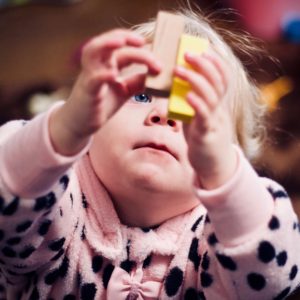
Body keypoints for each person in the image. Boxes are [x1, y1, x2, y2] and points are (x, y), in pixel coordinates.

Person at [0, 7, 299, 300]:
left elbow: (274, 280)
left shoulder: (219, 239)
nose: (163, 115)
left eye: (192, 112)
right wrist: (65, 128)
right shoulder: (59, 198)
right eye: (141, 95)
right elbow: (9, 196)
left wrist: (225, 175)